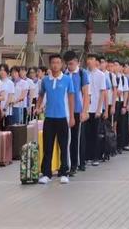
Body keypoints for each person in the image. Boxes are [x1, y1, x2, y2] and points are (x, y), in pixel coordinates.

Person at [36, 54, 75, 184]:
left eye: (58, 63)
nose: (55, 65)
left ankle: (64, 172)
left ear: (61, 64)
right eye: (53, 62)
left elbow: (71, 98)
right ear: (50, 64)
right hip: (49, 118)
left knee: (63, 146)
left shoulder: (67, 79)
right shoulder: (45, 80)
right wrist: (38, 107)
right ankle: (46, 173)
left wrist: (72, 116)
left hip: (62, 117)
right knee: (48, 146)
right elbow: (41, 95)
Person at [63, 50, 90, 176]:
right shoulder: (64, 74)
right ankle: (66, 163)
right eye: (68, 64)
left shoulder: (82, 73)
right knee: (66, 139)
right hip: (65, 111)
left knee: (76, 138)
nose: (70, 66)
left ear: (77, 62)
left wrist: (85, 111)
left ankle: (77, 163)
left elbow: (85, 94)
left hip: (78, 110)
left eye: (72, 64)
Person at [85, 53, 106, 166]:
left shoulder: (101, 75)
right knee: (86, 133)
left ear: (95, 61)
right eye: (88, 59)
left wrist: (99, 109)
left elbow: (102, 92)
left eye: (91, 59)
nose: (89, 61)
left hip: (95, 109)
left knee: (95, 133)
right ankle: (86, 156)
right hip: (86, 109)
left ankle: (95, 157)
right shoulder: (84, 73)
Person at [115, 60, 129, 151]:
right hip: (114, 102)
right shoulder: (111, 76)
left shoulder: (123, 78)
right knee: (115, 124)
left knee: (122, 125)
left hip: (121, 103)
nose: (115, 67)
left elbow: (126, 92)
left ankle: (122, 144)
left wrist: (125, 105)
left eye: (117, 65)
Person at [0, 64, 14, 129]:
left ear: (7, 72)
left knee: (7, 129)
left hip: (7, 109)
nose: (2, 72)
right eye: (0, 70)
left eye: (4, 70)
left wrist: (4, 109)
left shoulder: (10, 83)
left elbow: (10, 97)